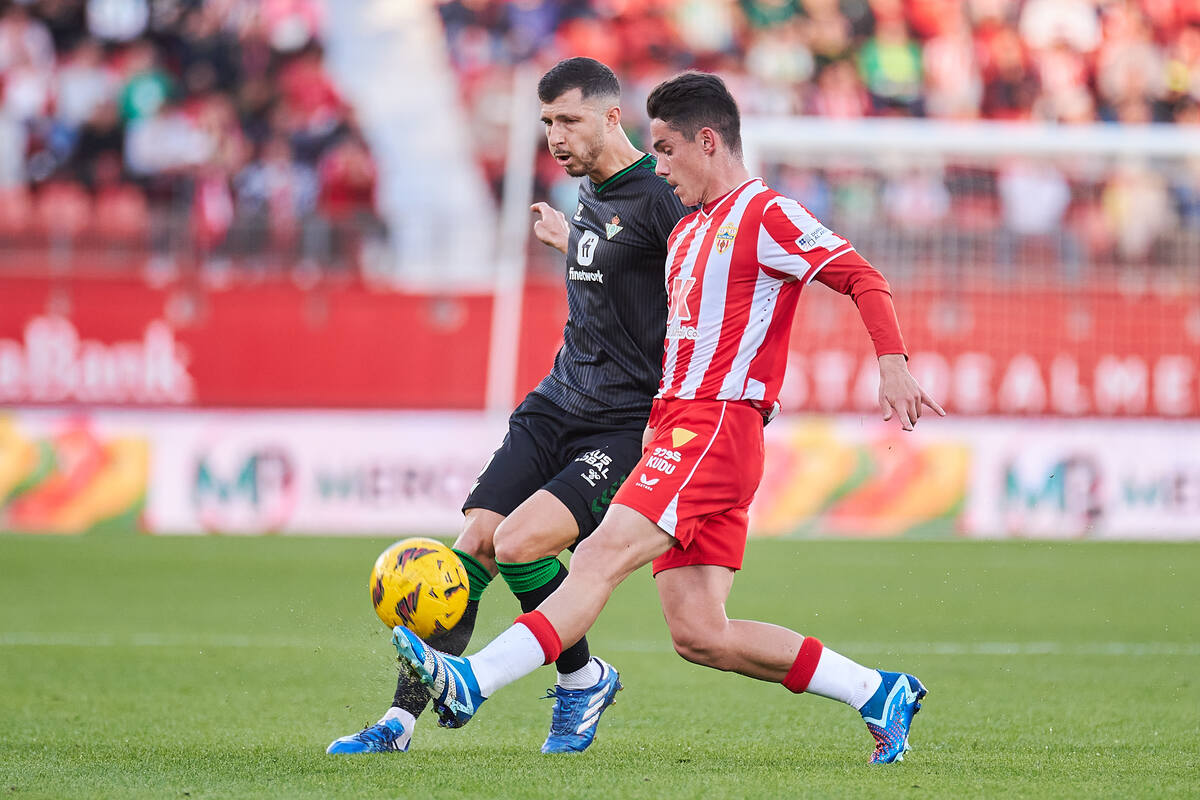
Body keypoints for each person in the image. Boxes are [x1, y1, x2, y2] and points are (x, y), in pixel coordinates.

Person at [391, 71, 945, 765]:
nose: (657, 166)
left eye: (665, 150)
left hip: (715, 427)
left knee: (594, 557)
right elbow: (663, 315)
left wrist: (891, 360)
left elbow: (858, 273)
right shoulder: (689, 233)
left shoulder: (764, 213)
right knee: (700, 633)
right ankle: (877, 691)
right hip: (679, 428)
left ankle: (474, 680)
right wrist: (576, 249)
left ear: (707, 142)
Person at [327, 58, 690, 755]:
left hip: (620, 424)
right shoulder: (589, 194)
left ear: (613, 118)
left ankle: (581, 681)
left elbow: (688, 294)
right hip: (554, 402)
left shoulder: (663, 196)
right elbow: (616, 278)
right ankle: (399, 725)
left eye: (569, 121)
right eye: (547, 121)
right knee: (471, 548)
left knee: (523, 545)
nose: (555, 135)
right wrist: (573, 243)